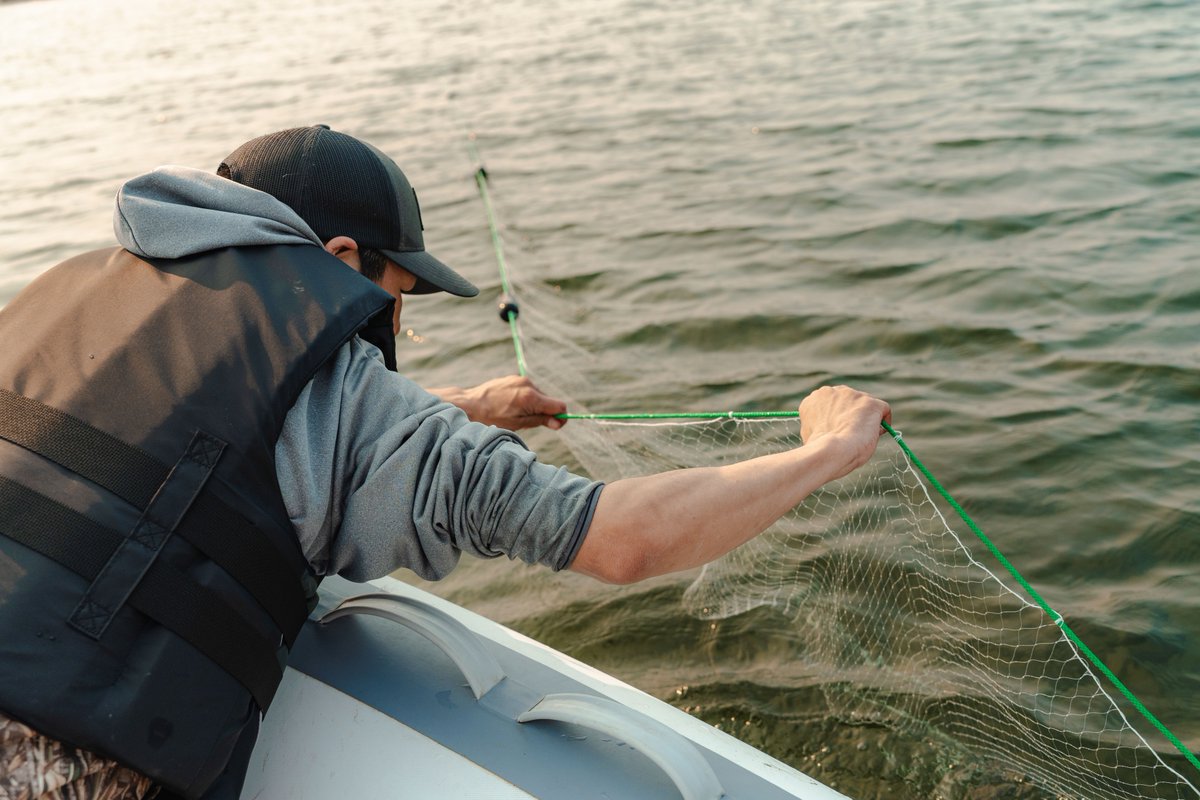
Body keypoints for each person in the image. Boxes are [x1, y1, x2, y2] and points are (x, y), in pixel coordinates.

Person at [0, 125, 890, 800]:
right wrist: (824, 450)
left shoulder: (67, 292)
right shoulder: (359, 400)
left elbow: (188, 446)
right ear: (340, 260)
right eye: (393, 302)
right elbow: (622, 540)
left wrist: (457, 407)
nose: (392, 332)